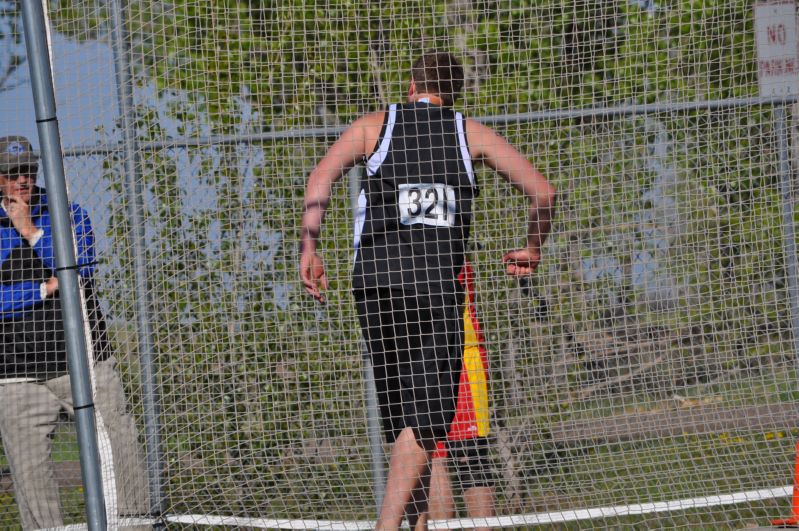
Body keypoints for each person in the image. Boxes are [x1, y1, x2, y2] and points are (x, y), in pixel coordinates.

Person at [300, 52, 556, 531]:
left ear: (411, 83)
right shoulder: (469, 133)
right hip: (433, 286)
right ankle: (387, 526)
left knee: (405, 425)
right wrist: (531, 247)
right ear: (453, 94)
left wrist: (309, 247)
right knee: (430, 422)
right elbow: (544, 193)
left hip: (373, 284)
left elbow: (321, 178)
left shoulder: (374, 125)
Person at [0, 136, 149, 529]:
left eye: (28, 171)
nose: (22, 181)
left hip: (82, 359)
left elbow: (77, 273)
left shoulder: (68, 214)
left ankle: (135, 522)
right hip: (14, 371)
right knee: (28, 469)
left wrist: (30, 231)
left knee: (119, 442)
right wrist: (41, 289)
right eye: (12, 174)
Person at [427, 261, 495, 531]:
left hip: (463, 357)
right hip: (417, 359)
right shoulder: (393, 250)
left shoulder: (448, 241)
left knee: (470, 454)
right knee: (430, 455)